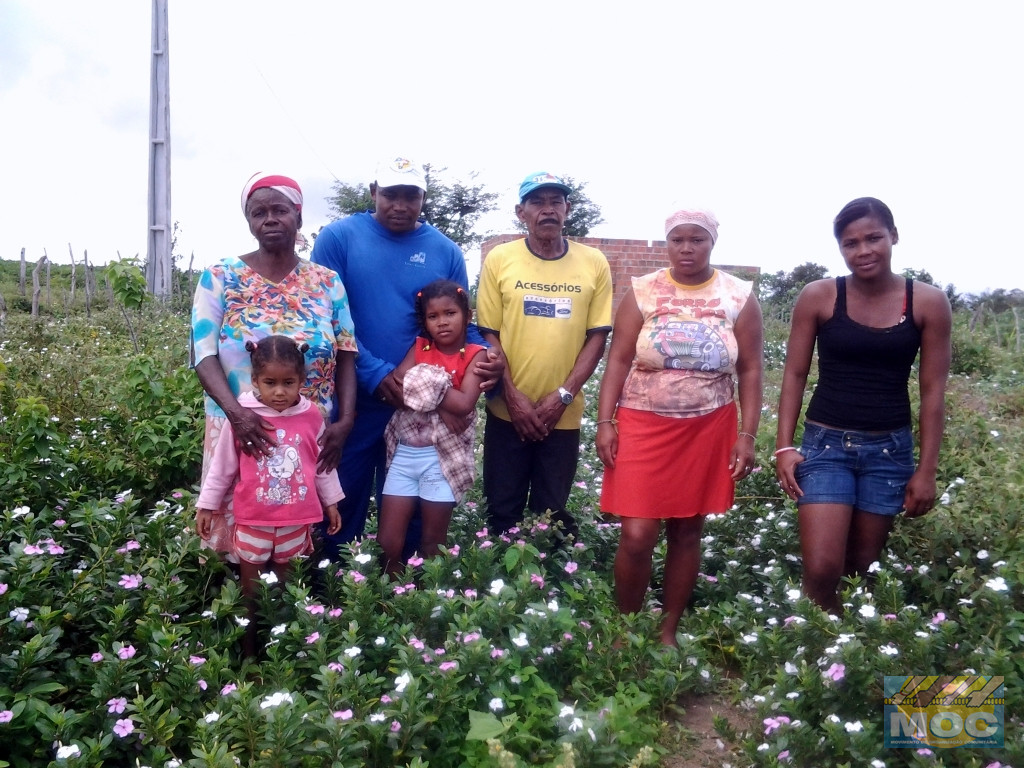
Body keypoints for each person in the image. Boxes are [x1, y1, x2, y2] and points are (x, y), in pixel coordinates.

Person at [311, 156, 501, 559]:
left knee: (413, 509)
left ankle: (405, 595)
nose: (400, 204)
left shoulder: (445, 250)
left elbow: (462, 324)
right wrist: (376, 374)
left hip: (423, 410)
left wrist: (487, 356)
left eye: (410, 196)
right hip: (355, 401)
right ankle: (336, 590)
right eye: (390, 194)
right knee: (342, 498)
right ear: (373, 193)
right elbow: (323, 317)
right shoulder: (338, 238)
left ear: (423, 198)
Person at [775, 197, 952, 614]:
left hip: (889, 452)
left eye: (873, 238)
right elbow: (794, 374)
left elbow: (933, 393)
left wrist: (926, 471)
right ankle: (818, 650)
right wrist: (784, 446)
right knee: (822, 568)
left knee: (861, 566)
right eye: (850, 243)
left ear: (893, 236)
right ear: (840, 248)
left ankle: (849, 653)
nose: (863, 250)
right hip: (825, 447)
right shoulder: (819, 296)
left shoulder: (927, 302)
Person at [596, 208, 764, 646]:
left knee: (687, 530)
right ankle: (625, 628)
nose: (687, 248)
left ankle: (668, 631)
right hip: (641, 424)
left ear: (712, 243)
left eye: (697, 240)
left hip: (708, 427)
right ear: (667, 243)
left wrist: (747, 435)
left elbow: (750, 370)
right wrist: (605, 421)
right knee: (637, 535)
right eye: (678, 240)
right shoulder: (644, 292)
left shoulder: (738, 296)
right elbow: (617, 359)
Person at [191, 172, 357, 561]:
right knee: (240, 539)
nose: (269, 219)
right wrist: (237, 416)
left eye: (279, 210)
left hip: (308, 431)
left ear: (298, 217)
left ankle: (298, 609)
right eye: (258, 212)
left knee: (295, 539)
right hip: (238, 429)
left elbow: (347, 353)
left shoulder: (327, 282)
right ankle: (245, 612)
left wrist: (345, 421)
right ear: (248, 221)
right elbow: (203, 354)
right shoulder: (220, 277)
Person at [476, 171, 613, 539]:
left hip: (562, 416)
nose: (547, 210)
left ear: (567, 209)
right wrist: (512, 397)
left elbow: (597, 336)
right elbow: (489, 332)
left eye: (556, 201)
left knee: (550, 516)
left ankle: (544, 587)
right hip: (508, 411)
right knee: (501, 510)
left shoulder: (594, 262)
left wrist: (562, 396)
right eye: (538, 202)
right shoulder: (500, 259)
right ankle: (501, 591)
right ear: (521, 212)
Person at [195, 336, 344, 658]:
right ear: (255, 381)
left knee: (283, 590)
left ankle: (282, 654)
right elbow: (223, 467)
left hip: (295, 523)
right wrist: (207, 505)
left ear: (302, 381)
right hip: (253, 524)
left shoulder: (312, 416)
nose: (279, 392)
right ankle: (250, 654)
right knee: (252, 593)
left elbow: (321, 466)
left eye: (288, 383)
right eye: (270, 383)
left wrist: (331, 502)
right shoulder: (242, 416)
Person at [377, 280, 487, 574]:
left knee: (432, 542)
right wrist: (440, 397)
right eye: (433, 316)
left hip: (441, 460)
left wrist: (422, 383)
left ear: (467, 315)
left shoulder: (476, 354)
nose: (442, 322)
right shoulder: (419, 347)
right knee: (388, 542)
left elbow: (464, 405)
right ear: (424, 321)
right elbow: (399, 389)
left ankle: (428, 605)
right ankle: (392, 602)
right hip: (404, 456)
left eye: (450, 313)